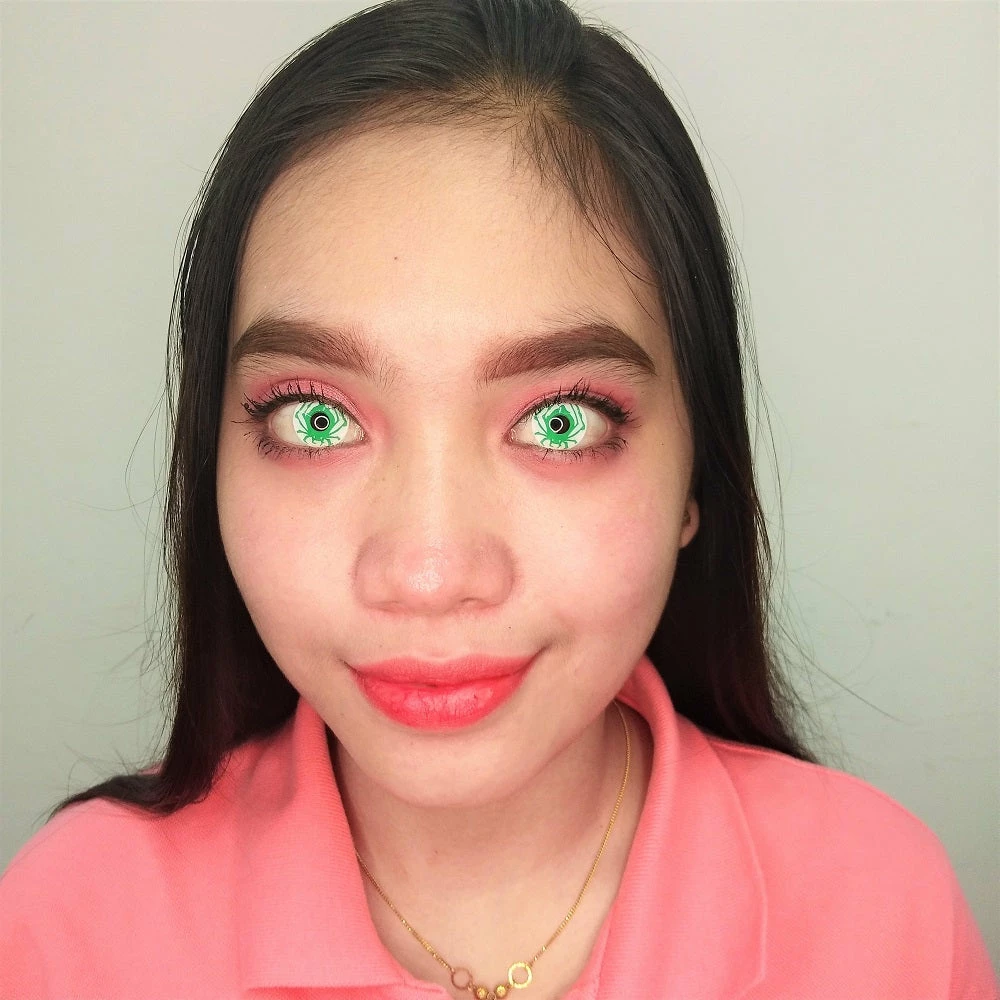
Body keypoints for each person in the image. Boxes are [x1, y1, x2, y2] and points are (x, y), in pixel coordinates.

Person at [1, 1, 996, 998]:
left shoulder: (882, 907)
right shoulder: (69, 926)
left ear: (696, 477)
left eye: (560, 421)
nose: (430, 572)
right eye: (315, 418)